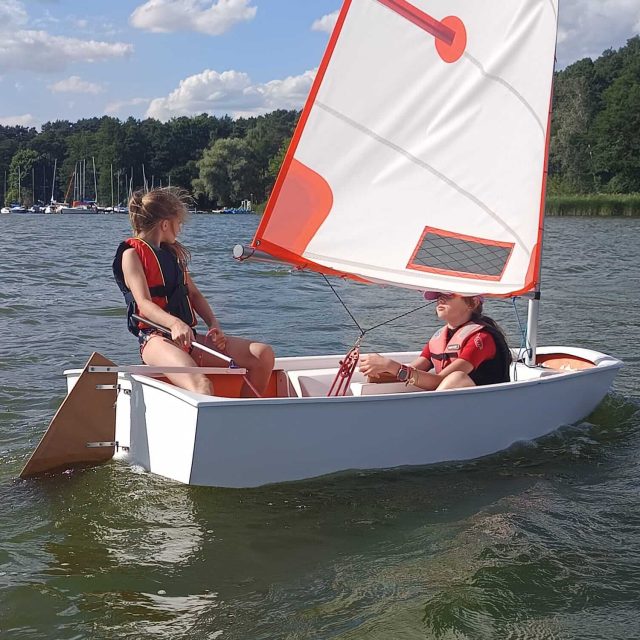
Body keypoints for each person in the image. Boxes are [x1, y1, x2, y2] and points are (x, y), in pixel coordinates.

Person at [112, 187, 274, 397]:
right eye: (179, 223)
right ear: (165, 224)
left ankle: (245, 415)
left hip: (188, 339)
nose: (180, 229)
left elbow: (194, 295)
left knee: (262, 355)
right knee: (202, 386)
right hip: (155, 340)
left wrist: (213, 324)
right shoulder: (131, 255)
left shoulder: (171, 256)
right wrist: (175, 324)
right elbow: (144, 303)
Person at [359, 292, 511, 391]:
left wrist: (390, 365)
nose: (440, 299)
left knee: (457, 378)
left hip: (487, 405)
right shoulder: (439, 338)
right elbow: (412, 371)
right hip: (454, 404)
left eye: (449, 295)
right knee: (375, 377)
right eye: (438, 295)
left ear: (472, 303)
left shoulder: (482, 338)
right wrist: (380, 370)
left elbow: (439, 381)